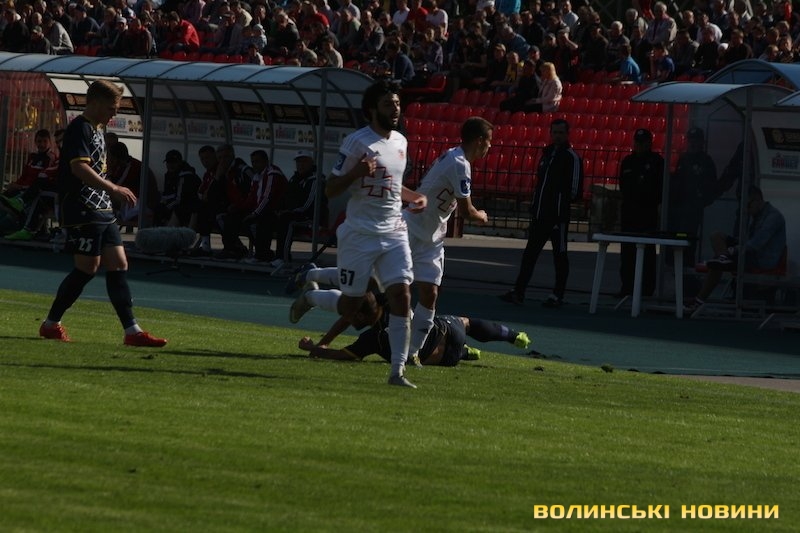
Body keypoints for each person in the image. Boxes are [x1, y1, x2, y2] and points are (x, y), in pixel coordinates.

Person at [39, 80, 166, 347]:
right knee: (87, 268)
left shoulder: (97, 128)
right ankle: (51, 324)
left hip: (102, 208)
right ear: (95, 103)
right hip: (83, 207)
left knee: (119, 263)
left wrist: (110, 194)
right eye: (111, 107)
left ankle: (132, 332)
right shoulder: (80, 128)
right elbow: (79, 169)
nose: (114, 113)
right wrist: (113, 188)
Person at [324, 79, 427, 388]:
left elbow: (392, 186)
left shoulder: (401, 141)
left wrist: (414, 197)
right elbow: (330, 189)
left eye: (397, 103)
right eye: (387, 104)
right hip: (360, 234)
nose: (395, 109)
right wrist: (356, 172)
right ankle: (313, 295)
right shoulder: (356, 142)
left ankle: (397, 371)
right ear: (371, 110)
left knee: (402, 295)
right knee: (351, 307)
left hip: (394, 230)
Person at [402, 116, 491, 366]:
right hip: (411, 229)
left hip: (431, 238)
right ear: (479, 140)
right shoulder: (459, 163)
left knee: (430, 293)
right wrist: (482, 215)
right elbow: (467, 211)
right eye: (489, 141)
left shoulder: (455, 157)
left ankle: (412, 353)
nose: (490, 147)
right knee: (380, 287)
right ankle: (315, 283)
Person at [500, 118, 583, 307]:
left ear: (567, 134)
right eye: (555, 132)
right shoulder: (547, 155)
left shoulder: (571, 157)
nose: (557, 136)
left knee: (559, 255)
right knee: (530, 254)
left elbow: (575, 191)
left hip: (557, 217)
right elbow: (541, 184)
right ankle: (519, 291)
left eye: (561, 133)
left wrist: (558, 205)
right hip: (540, 215)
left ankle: (558, 294)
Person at [686, 186, 786, 312]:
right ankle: (723, 258)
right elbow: (748, 241)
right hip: (750, 253)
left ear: (757, 199)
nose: (746, 210)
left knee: (717, 266)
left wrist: (733, 250)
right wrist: (733, 247)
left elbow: (756, 244)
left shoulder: (773, 217)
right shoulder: (758, 215)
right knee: (716, 236)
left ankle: (699, 299)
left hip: (761, 260)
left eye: (747, 205)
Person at [618, 129, 664, 297]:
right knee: (627, 250)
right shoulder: (628, 161)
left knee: (647, 251)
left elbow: (660, 187)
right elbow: (623, 185)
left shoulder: (657, 161)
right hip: (629, 211)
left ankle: (646, 288)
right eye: (637, 142)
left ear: (649, 143)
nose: (640, 145)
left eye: (643, 142)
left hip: (647, 211)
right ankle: (627, 287)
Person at [261, 150, 323, 268]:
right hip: (293, 214)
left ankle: (283, 259)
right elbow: (285, 198)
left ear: (311, 163)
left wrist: (290, 212)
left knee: (287, 220)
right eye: (298, 162)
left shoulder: (316, 179)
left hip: (311, 217)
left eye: (304, 161)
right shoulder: (295, 178)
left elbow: (309, 205)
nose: (301, 165)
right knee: (267, 217)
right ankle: (262, 255)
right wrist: (279, 210)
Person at [668, 127, 718, 266]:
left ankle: (687, 268)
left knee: (689, 241)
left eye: (696, 140)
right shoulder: (683, 159)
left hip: (693, 211)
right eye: (690, 140)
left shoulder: (706, 162)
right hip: (678, 209)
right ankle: (675, 266)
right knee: (676, 239)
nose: (692, 143)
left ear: (701, 142)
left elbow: (711, 187)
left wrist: (700, 202)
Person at [2, 129, 59, 241]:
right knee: (3, 198)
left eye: (44, 141)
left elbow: (42, 181)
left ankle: (16, 222)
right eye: (39, 141)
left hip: (31, 191)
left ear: (50, 142)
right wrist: (15, 184)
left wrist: (20, 187)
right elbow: (24, 176)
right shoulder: (32, 157)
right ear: (35, 142)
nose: (42, 144)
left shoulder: (51, 158)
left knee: (15, 206)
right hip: (22, 189)